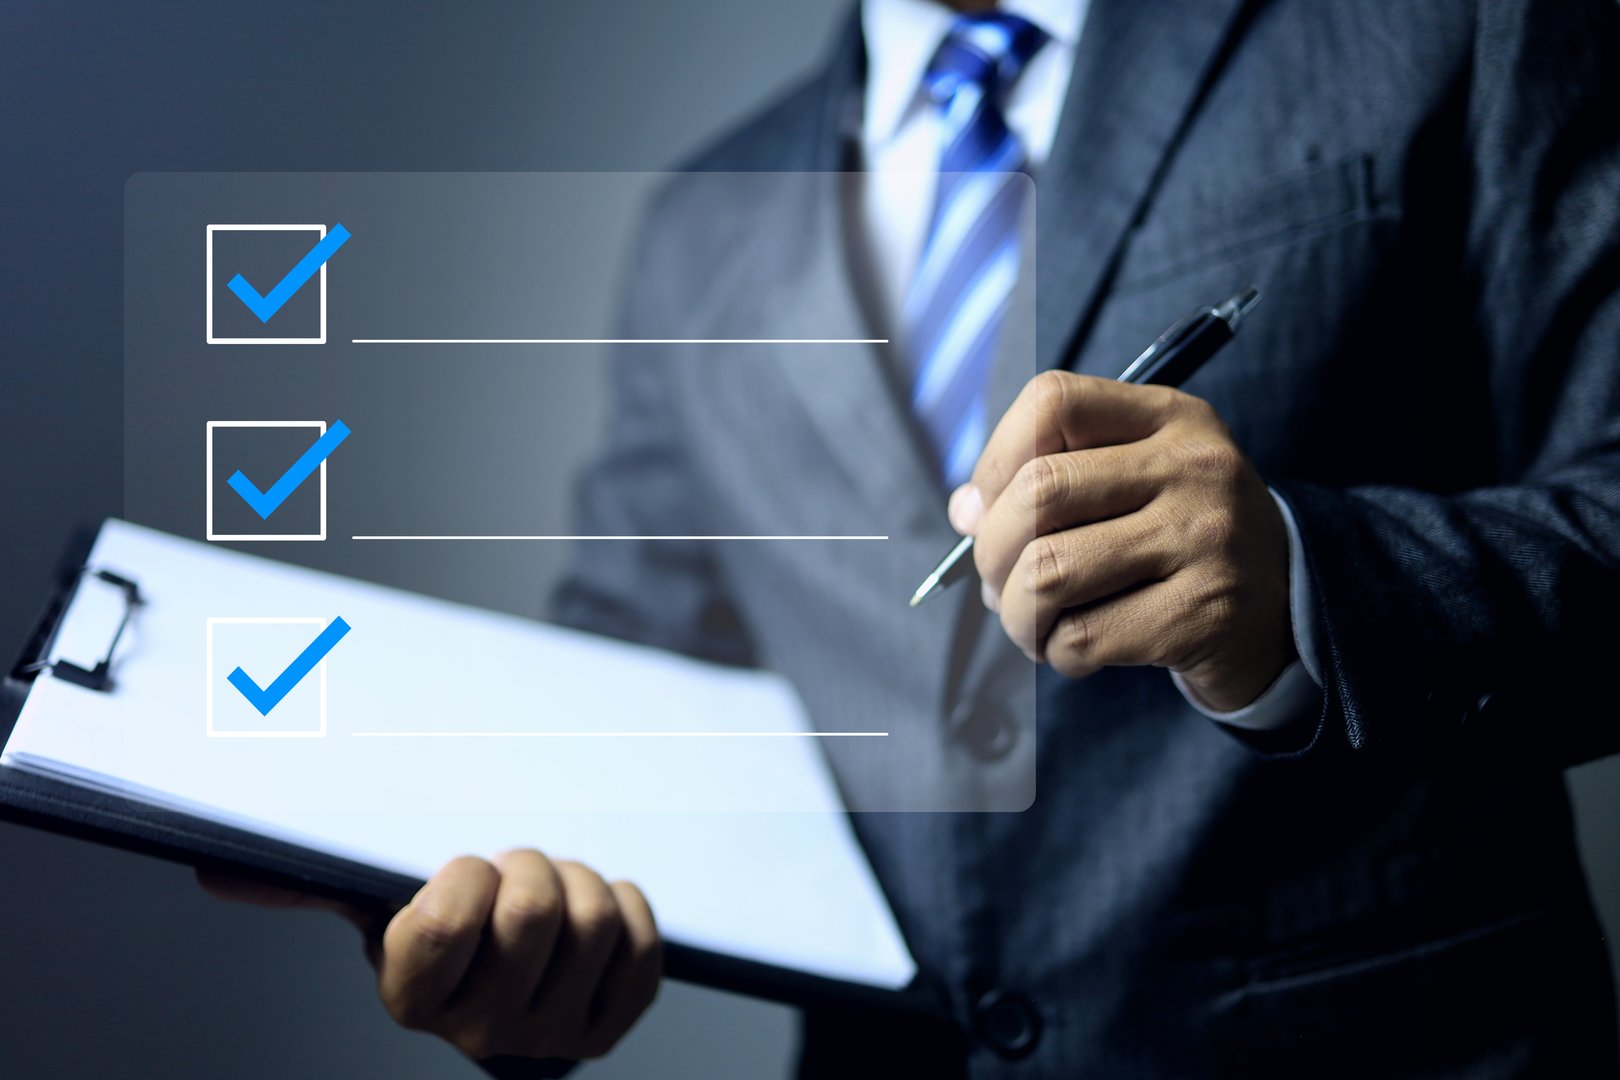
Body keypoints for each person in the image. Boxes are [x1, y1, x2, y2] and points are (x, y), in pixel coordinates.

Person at [213, 0, 1620, 1075]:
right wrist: (499, 909)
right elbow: (635, 711)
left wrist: (1308, 584)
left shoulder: (1452, 22)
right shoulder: (700, 229)